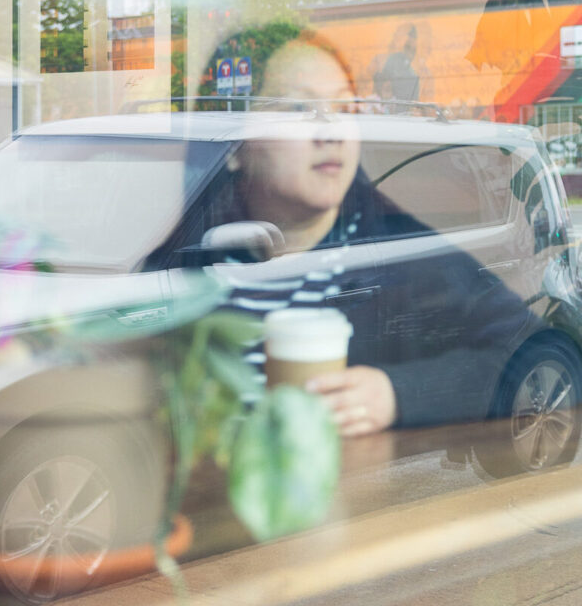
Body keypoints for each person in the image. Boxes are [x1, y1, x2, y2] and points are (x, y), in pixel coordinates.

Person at [206, 22, 541, 437]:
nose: (329, 130)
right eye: (297, 109)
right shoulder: (184, 249)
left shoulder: (401, 249)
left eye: (345, 109)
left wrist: (398, 392)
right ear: (236, 143)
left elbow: (519, 349)